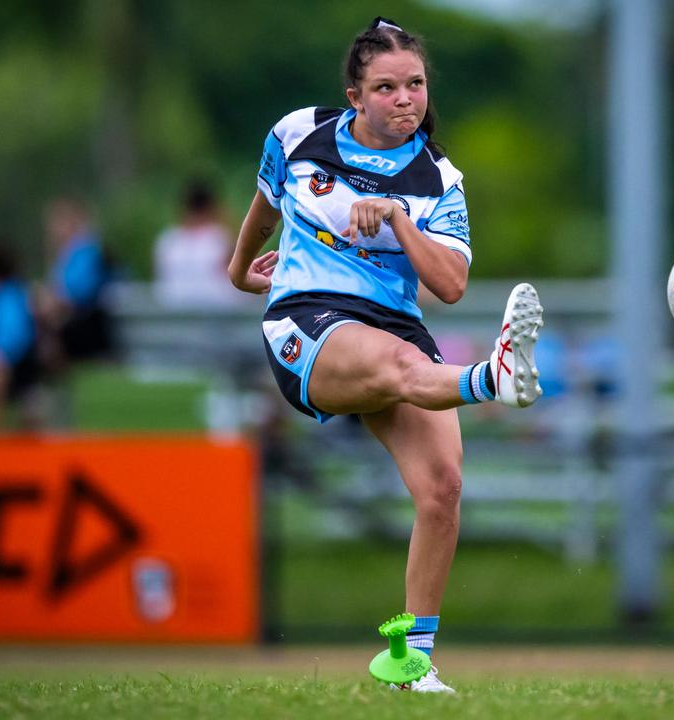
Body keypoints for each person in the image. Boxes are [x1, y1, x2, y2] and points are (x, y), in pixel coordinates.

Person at [227, 17, 543, 694]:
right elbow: (264, 203)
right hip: (305, 319)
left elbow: (451, 286)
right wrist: (237, 271)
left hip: (394, 322)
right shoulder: (297, 134)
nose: (406, 98)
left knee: (442, 490)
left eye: (416, 84)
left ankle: (410, 663)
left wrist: (399, 219)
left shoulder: (438, 180)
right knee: (403, 369)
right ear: (354, 95)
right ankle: (495, 376)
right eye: (387, 87)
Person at [39, 197, 114, 364]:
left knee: (44, 339)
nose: (53, 229)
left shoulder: (86, 251)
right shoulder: (66, 254)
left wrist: (51, 301)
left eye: (58, 222)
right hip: (75, 322)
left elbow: (79, 294)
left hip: (91, 326)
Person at [154, 179, 239, 307]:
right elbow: (239, 276)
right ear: (212, 208)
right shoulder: (219, 238)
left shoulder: (167, 241)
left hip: (173, 312)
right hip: (215, 312)